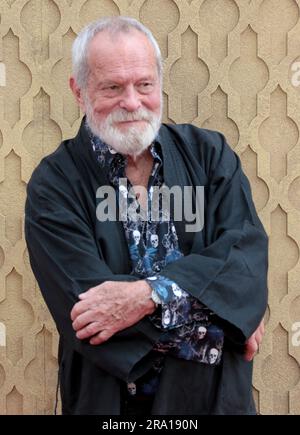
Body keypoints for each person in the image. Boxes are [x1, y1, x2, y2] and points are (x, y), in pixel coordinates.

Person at [24, 16, 268, 415]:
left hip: (217, 401)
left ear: (160, 82)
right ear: (79, 92)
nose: (132, 102)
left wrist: (149, 296)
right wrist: (224, 315)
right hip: (112, 403)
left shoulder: (211, 155)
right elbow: (87, 317)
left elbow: (247, 268)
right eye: (112, 87)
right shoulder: (55, 183)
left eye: (144, 84)